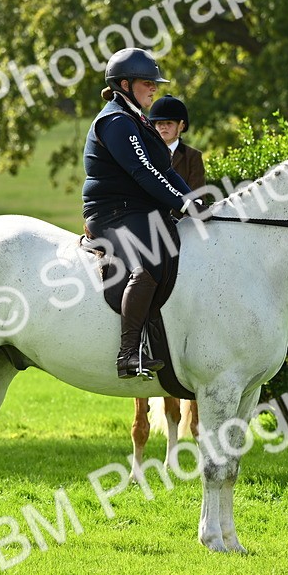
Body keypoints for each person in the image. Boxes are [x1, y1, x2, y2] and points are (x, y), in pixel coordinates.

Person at [82, 48, 202, 378]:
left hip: (136, 209)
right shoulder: (116, 122)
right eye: (147, 83)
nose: (154, 88)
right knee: (147, 266)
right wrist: (181, 203)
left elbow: (166, 169)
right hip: (111, 212)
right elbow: (144, 172)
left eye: (154, 83)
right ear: (124, 83)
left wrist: (195, 202)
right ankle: (128, 355)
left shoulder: (139, 120)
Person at [132, 94, 204, 447]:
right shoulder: (142, 150)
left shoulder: (192, 158)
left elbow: (196, 194)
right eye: (158, 123)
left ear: (180, 126)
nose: (162, 127)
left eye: (168, 123)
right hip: (149, 230)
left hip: (184, 232)